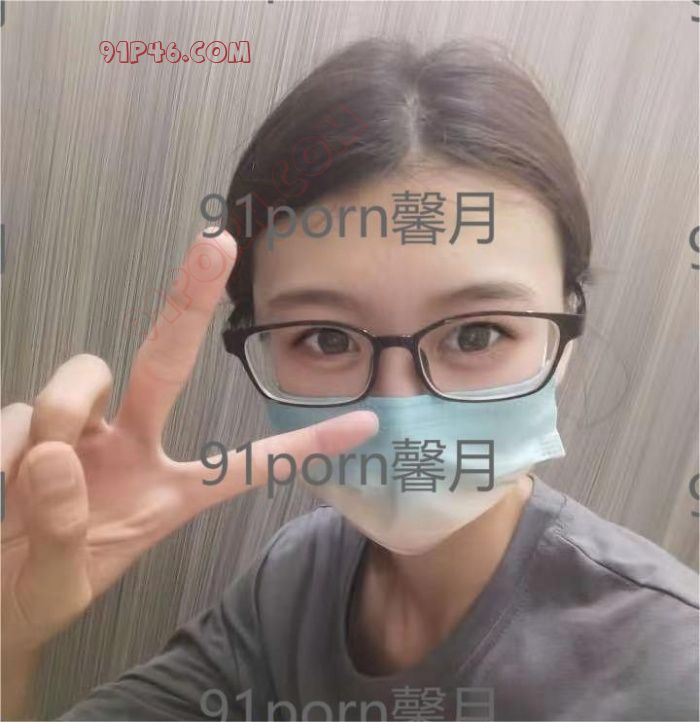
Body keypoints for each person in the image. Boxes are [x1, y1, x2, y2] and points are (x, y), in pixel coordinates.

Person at [2, 38, 697, 722]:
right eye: (327, 339)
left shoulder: (672, 668)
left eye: (477, 334)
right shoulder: (297, 577)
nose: (398, 411)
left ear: (563, 335)